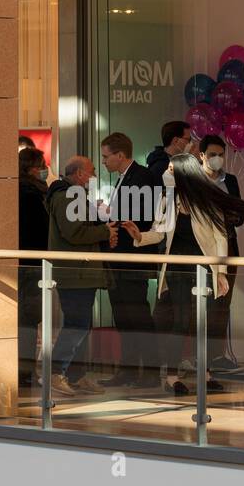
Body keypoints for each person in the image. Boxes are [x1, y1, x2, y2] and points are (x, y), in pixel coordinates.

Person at [125, 153, 244, 396]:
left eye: (170, 169)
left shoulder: (206, 200)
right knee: (181, 321)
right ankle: (173, 376)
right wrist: (139, 236)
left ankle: (205, 373)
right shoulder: (167, 200)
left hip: (203, 269)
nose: (166, 173)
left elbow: (220, 238)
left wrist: (220, 273)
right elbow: (159, 233)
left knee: (205, 323)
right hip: (177, 270)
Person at [45, 155, 116, 396]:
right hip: (76, 271)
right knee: (76, 324)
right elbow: (74, 232)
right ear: (79, 174)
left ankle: (77, 375)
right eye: (92, 171)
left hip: (82, 271)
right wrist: (104, 232)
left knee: (82, 325)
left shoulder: (73, 195)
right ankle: (56, 373)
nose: (94, 175)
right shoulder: (67, 196)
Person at [98, 132, 160, 387]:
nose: (103, 162)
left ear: (119, 155)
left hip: (133, 257)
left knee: (137, 315)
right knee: (123, 314)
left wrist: (112, 220)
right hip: (120, 258)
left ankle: (150, 371)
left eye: (105, 156)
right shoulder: (124, 179)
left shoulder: (143, 177)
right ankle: (130, 369)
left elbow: (143, 219)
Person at [199, 135, 244, 372]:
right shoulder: (193, 181)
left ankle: (216, 356)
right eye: (212, 154)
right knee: (202, 304)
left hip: (228, 245)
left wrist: (226, 215)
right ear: (202, 156)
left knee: (222, 303)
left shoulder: (231, 180)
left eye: (220, 154)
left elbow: (240, 215)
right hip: (203, 249)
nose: (217, 159)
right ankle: (199, 358)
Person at [17, 146, 50, 387]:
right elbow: (44, 229)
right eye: (41, 166)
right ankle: (25, 370)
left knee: (23, 318)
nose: (45, 171)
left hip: (19, 261)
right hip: (35, 262)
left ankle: (23, 370)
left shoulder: (12, 189)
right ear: (33, 168)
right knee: (29, 317)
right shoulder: (35, 193)